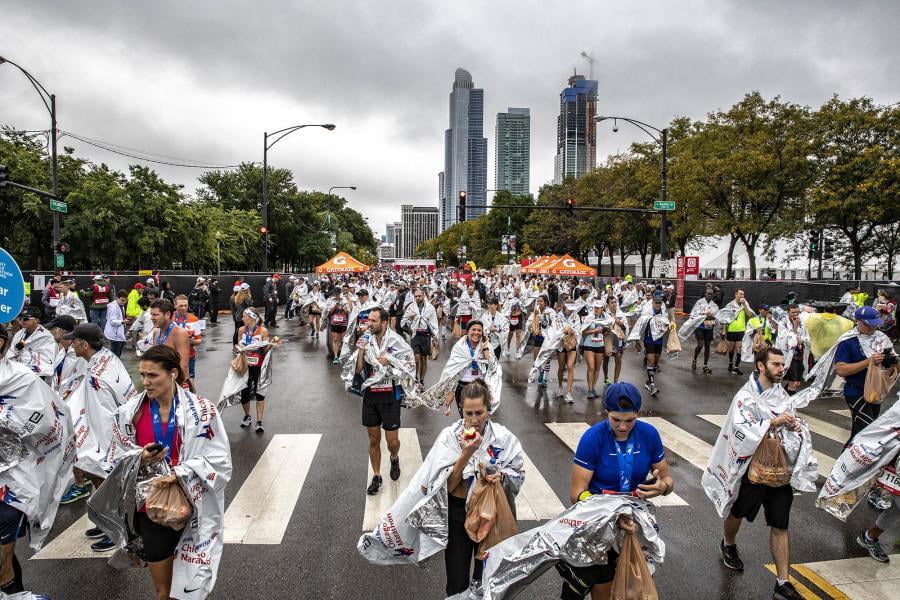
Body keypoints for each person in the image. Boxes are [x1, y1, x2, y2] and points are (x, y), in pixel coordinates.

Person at [358, 380, 524, 596]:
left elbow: (518, 475)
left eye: (479, 413)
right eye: (469, 413)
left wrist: (499, 476)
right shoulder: (449, 437)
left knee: (488, 580)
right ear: (460, 411)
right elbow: (445, 487)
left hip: (490, 517)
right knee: (456, 583)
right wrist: (466, 454)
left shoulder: (504, 438)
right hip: (457, 517)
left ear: (489, 410)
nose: (474, 420)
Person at [94, 344, 232, 600]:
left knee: (193, 583)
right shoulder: (130, 413)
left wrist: (181, 473)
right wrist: (140, 458)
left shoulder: (202, 411)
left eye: (152, 375)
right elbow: (114, 456)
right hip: (152, 509)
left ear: (173, 374)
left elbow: (220, 459)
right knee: (164, 591)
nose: (145, 381)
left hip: (193, 505)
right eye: (143, 375)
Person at [703, 347, 817, 600]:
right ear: (760, 366)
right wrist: (772, 423)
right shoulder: (745, 397)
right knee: (738, 513)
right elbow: (740, 430)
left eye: (782, 364)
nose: (781, 368)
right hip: (751, 470)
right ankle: (728, 543)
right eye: (776, 364)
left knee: (780, 524)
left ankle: (782, 583)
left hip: (778, 470)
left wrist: (795, 426)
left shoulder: (783, 396)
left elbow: (792, 423)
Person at [560, 382, 674, 600]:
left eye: (630, 420)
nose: (623, 426)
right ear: (606, 413)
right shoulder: (593, 438)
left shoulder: (649, 435)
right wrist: (610, 515)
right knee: (597, 588)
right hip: (596, 520)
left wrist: (663, 486)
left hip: (632, 521)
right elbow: (577, 494)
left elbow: (667, 478)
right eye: (616, 420)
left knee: (630, 589)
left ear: (638, 414)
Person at [0, 323, 74, 595]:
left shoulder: (21, 379)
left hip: (12, 482)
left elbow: (46, 421)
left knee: (3, 548)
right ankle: (13, 592)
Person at [61, 322, 137, 551]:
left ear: (84, 344)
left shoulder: (97, 373)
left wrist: (98, 447)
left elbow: (101, 413)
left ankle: (117, 530)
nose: (71, 344)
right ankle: (106, 523)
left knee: (105, 481)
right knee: (101, 479)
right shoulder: (106, 359)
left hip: (105, 437)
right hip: (106, 433)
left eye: (74, 341)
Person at [346, 307, 416, 495]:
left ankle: (394, 457)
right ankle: (377, 476)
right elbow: (358, 368)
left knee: (392, 441)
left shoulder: (396, 340)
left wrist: (390, 360)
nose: (369, 323)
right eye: (368, 320)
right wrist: (360, 350)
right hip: (371, 396)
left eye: (373, 321)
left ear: (384, 323)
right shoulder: (366, 341)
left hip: (389, 396)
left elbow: (410, 364)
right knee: (374, 439)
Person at [833, 306, 894, 444]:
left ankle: (843, 463)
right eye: (868, 324)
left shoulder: (881, 338)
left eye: (875, 324)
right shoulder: (847, 341)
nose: (872, 328)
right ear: (858, 321)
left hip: (875, 391)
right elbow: (841, 370)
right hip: (856, 390)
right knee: (867, 431)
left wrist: (891, 360)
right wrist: (868, 361)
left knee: (858, 433)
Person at [627, 294, 669, 396]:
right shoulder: (647, 313)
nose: (658, 304)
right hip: (649, 340)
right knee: (651, 360)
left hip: (659, 340)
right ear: (653, 303)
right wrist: (637, 341)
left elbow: (666, 324)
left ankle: (648, 382)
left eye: (660, 303)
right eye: (656, 303)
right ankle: (652, 385)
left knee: (656, 362)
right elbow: (639, 326)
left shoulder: (664, 313)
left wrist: (670, 325)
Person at [236, 308, 270, 432]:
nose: (242, 318)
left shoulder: (263, 331)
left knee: (259, 392)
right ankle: (247, 416)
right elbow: (236, 346)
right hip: (245, 365)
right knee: (244, 393)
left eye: (244, 316)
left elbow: (266, 350)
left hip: (258, 365)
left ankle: (259, 421)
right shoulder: (241, 330)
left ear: (252, 317)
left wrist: (269, 346)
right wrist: (240, 349)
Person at [146, 299, 191, 385]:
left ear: (167, 314)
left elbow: (183, 367)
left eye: (155, 315)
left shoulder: (180, 333)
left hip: (175, 385)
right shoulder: (156, 332)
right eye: (151, 314)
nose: (152, 318)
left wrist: (171, 388)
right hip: (159, 384)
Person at [401, 287, 439, 386]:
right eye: (416, 296)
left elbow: (434, 322)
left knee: (423, 359)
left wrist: (435, 337)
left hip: (426, 336)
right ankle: (415, 377)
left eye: (419, 296)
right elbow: (404, 321)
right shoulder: (411, 307)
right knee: (416, 358)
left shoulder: (430, 308)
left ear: (424, 296)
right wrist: (410, 318)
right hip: (415, 335)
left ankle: (421, 380)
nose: (418, 298)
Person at [6, 307, 57, 379]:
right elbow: (11, 352)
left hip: (37, 375)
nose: (22, 321)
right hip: (18, 372)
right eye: (20, 318)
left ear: (36, 320)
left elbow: (46, 359)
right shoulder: (19, 334)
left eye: (26, 319)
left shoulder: (46, 336)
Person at [678, 286, 719, 374]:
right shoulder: (699, 303)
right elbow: (693, 314)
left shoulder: (714, 305)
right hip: (700, 327)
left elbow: (717, 316)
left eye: (711, 294)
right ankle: (694, 359)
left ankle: (705, 365)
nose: (710, 295)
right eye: (708, 294)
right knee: (700, 345)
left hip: (709, 327)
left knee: (707, 345)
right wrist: (703, 314)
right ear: (705, 294)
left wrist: (712, 316)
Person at [46, 314, 86, 400]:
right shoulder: (63, 350)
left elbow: (80, 384)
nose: (50, 332)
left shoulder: (79, 355)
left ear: (60, 331)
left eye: (52, 329)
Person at [776, 304, 810, 395]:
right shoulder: (782, 323)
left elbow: (807, 337)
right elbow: (785, 341)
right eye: (793, 312)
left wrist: (802, 340)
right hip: (789, 357)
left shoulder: (802, 322)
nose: (796, 314)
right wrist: (795, 327)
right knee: (793, 383)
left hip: (800, 355)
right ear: (788, 312)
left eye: (797, 312)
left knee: (797, 383)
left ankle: (782, 396)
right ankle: (789, 405)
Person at [720, 289, 755, 376]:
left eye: (743, 294)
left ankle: (736, 367)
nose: (742, 296)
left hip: (741, 330)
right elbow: (724, 318)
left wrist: (744, 305)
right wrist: (724, 330)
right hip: (731, 330)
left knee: (739, 348)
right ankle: (731, 363)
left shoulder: (745, 304)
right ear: (736, 294)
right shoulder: (730, 305)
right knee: (731, 349)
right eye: (740, 294)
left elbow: (750, 315)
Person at [580, 301, 608, 399]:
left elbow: (609, 330)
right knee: (591, 367)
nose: (596, 309)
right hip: (589, 345)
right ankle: (590, 389)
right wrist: (594, 331)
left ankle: (593, 387)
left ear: (602, 308)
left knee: (597, 368)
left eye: (598, 307)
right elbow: (582, 332)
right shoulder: (589, 318)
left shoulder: (605, 318)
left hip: (600, 344)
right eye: (595, 307)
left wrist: (606, 330)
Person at [173, 294, 203, 385]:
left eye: (186, 305)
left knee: (189, 383)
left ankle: (192, 398)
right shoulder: (168, 318)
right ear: (175, 305)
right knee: (173, 383)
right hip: (173, 357)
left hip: (189, 356)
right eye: (181, 305)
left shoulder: (194, 319)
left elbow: (199, 340)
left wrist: (193, 342)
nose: (184, 308)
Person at [481, 297, 509, 361]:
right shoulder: (484, 316)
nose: (489, 306)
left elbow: (506, 329)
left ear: (496, 305)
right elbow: (481, 327)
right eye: (488, 304)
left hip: (497, 344)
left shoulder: (502, 317)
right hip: (487, 343)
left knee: (495, 362)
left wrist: (496, 330)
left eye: (491, 304)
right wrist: (488, 330)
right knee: (487, 361)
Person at [103, 289, 129, 357]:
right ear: (117, 298)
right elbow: (112, 321)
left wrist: (123, 321)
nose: (124, 302)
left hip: (118, 333)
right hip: (114, 335)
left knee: (117, 355)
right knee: (115, 356)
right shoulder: (113, 307)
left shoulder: (121, 306)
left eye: (125, 300)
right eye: (122, 300)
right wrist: (122, 321)